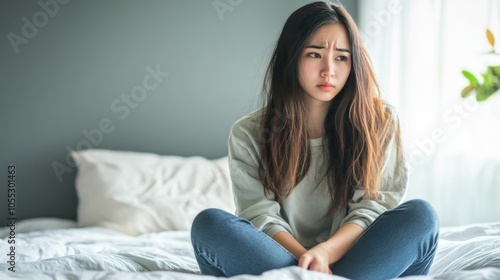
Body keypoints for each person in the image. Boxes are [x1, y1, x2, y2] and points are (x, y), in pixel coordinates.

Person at [190, 1, 439, 279]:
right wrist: (308, 264)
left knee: (421, 216)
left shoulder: (380, 122)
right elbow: (261, 216)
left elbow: (371, 209)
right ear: (291, 57)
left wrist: (325, 253)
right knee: (209, 224)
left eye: (342, 57)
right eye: (314, 54)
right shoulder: (248, 133)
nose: (328, 70)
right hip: (281, 257)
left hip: (358, 258)